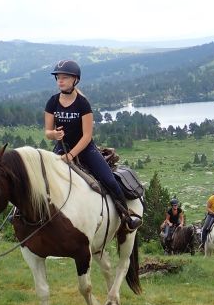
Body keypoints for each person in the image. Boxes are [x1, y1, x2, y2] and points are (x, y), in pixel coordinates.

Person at [44, 60, 142, 231]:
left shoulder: (82, 104)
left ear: (75, 80)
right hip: (61, 148)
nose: (60, 80)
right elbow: (47, 132)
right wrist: (55, 135)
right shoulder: (52, 102)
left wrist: (71, 155)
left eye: (65, 77)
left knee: (109, 180)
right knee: (42, 178)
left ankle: (126, 216)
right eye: (58, 77)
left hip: (85, 149)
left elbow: (87, 135)